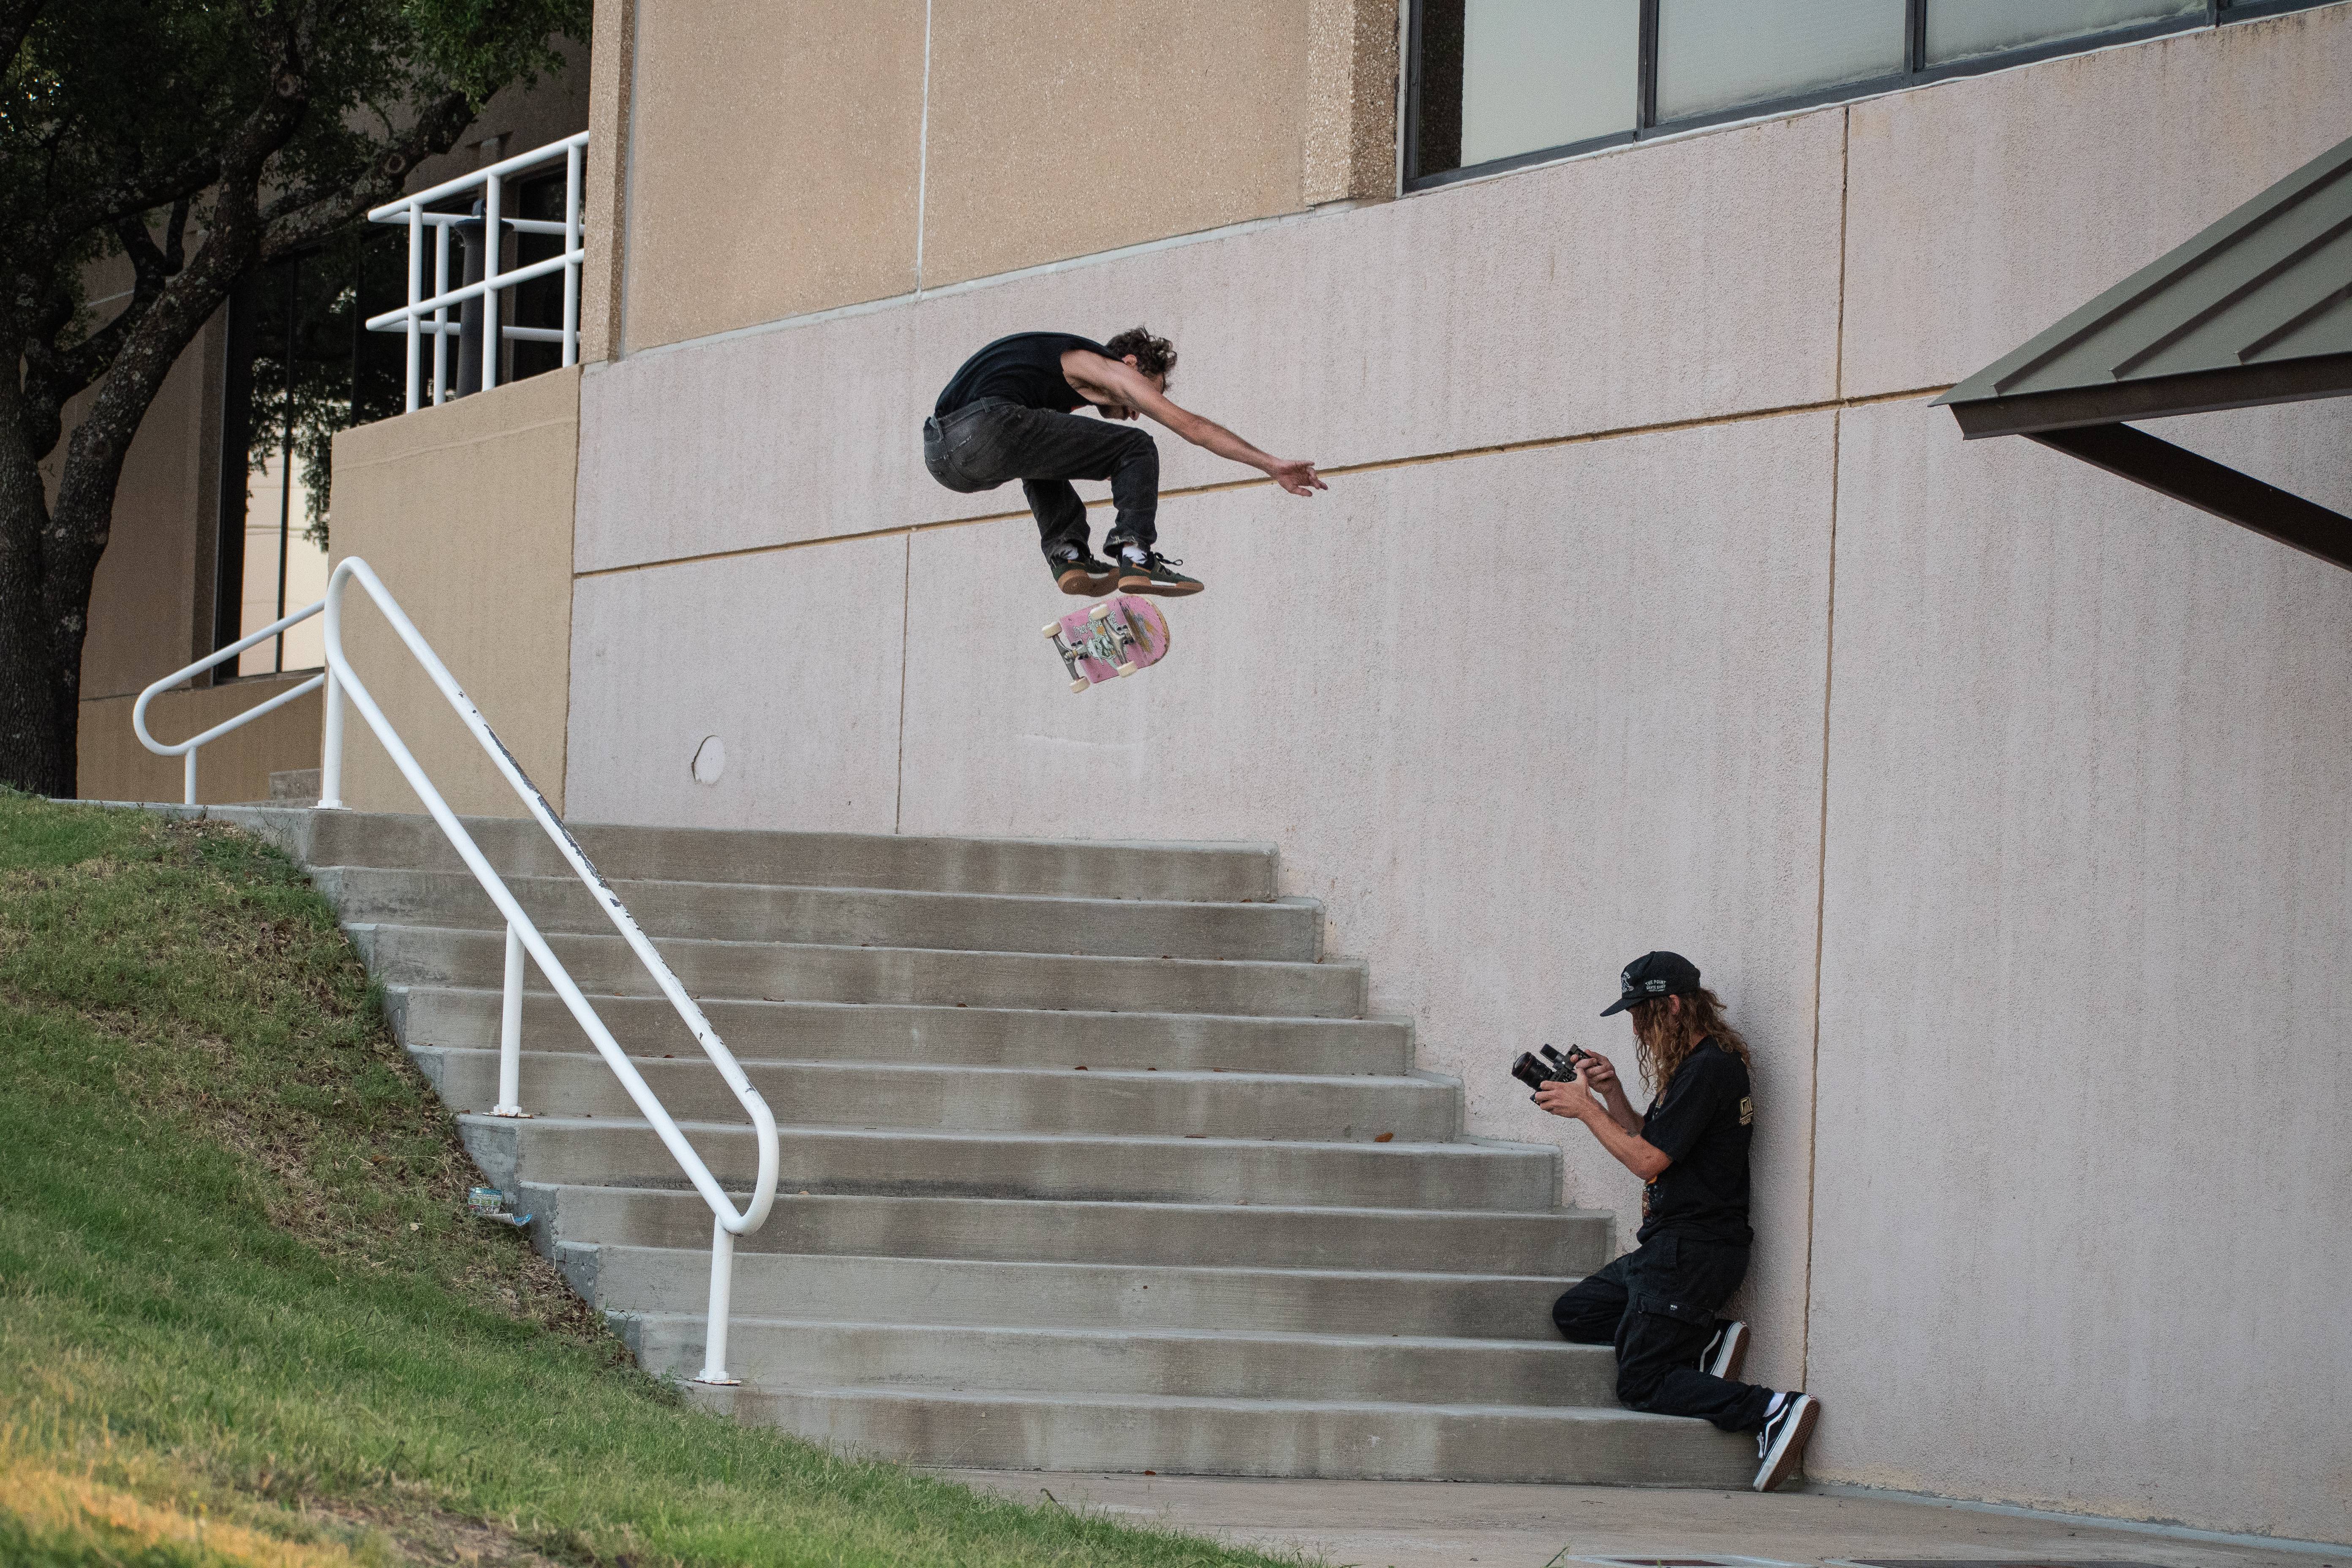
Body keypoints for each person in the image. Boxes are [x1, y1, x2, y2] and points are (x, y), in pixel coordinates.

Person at [1535, 950, 1822, 1493]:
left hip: (1693, 1250)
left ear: (1670, 1005)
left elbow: (1646, 1163)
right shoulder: (1696, 1066)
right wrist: (1611, 1093)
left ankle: (1770, 1409)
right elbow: (1653, 1139)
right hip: (1669, 1246)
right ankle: (1704, 1340)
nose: (1638, 1029)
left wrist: (1586, 1111)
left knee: (1641, 1382)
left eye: (1641, 1015)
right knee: (1576, 1312)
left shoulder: (1710, 1068)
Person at [922, 327, 1325, 598]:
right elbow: (1192, 427)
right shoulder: (1105, 366)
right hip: (988, 426)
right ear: (1132, 365)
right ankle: (1135, 554)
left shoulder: (1049, 378)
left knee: (1043, 456)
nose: (1137, 410)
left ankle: (1068, 557)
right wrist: (1270, 464)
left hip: (942, 456)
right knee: (1136, 447)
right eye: (1147, 395)